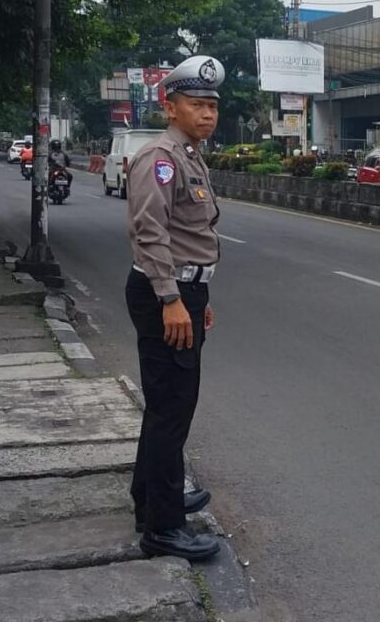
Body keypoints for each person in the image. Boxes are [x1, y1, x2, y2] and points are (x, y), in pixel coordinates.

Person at [125, 55, 225, 562]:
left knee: (170, 405)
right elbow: (150, 232)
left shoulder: (189, 154)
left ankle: (152, 496)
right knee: (171, 410)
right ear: (171, 107)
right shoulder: (159, 158)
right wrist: (170, 299)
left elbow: (191, 234)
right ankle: (162, 528)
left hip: (185, 293)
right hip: (165, 293)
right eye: (196, 104)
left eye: (212, 105)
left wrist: (195, 297)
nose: (207, 114)